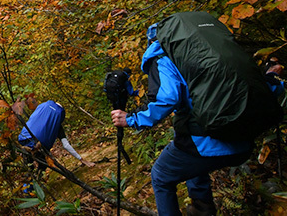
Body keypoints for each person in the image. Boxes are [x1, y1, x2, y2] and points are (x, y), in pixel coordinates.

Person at [110, 24, 252, 216]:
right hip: (244, 137)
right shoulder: (211, 51)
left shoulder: (162, 56)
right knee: (191, 160)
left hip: (209, 139)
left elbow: (167, 98)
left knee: (161, 176)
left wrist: (132, 119)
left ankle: (201, 209)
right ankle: (202, 210)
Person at [18, 99, 95, 174]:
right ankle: (38, 177)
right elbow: (66, 145)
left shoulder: (40, 109)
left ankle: (30, 182)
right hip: (41, 147)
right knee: (42, 165)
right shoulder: (56, 124)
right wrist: (82, 160)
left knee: (29, 170)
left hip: (25, 139)